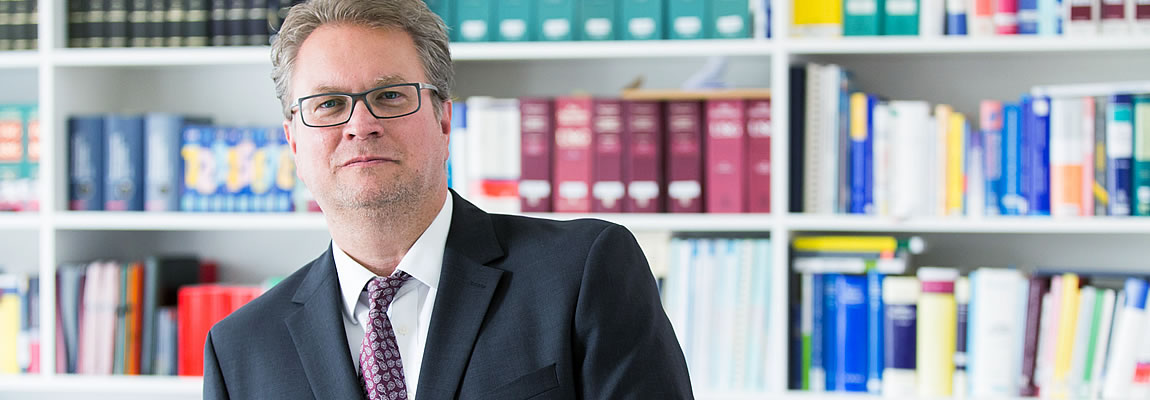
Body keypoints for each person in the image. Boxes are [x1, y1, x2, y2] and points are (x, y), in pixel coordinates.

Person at [201, 0, 693, 398]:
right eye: (328, 104)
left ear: (443, 120)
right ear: (292, 141)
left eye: (390, 96)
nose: (360, 125)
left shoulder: (583, 272)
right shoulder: (239, 349)